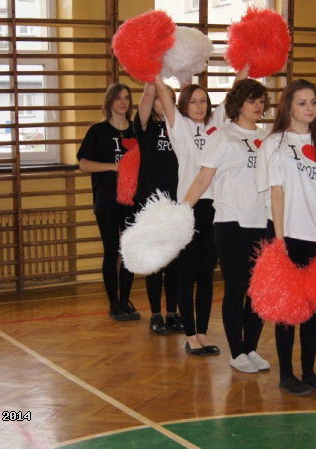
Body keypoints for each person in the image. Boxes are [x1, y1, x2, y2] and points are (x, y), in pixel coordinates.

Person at [153, 70, 248, 356]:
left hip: (214, 209)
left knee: (207, 275)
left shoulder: (216, 125)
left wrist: (244, 67)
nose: (199, 106)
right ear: (184, 105)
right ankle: (190, 334)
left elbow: (233, 92)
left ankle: (203, 333)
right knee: (187, 274)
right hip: (189, 208)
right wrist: (154, 73)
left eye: (204, 101)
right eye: (193, 101)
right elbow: (164, 95)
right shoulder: (179, 126)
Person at [256, 79, 316, 395]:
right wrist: (280, 241)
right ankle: (287, 375)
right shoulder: (274, 144)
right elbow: (276, 193)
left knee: (313, 308)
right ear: (289, 106)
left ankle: (309, 372)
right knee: (288, 308)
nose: (309, 108)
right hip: (286, 234)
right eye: (302, 102)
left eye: (313, 102)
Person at [182, 78, 271, 372]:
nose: (257, 106)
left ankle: (251, 348)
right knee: (236, 287)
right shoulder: (222, 136)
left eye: (261, 101)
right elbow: (203, 180)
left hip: (263, 222)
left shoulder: (268, 137)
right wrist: (181, 213)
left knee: (257, 291)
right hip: (231, 222)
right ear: (238, 104)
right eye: (251, 100)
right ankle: (237, 352)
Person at [77, 83, 140, 322]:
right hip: (107, 200)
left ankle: (125, 301)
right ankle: (114, 303)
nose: (123, 102)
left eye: (126, 98)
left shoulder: (136, 131)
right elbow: (83, 163)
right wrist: (113, 167)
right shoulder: (98, 131)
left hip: (132, 200)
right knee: (112, 251)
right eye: (118, 98)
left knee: (129, 252)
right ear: (110, 101)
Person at [133, 82, 183, 335]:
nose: (164, 102)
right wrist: (154, 73)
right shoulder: (146, 127)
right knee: (155, 261)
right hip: (151, 204)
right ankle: (155, 314)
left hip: (176, 202)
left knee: (173, 262)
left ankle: (172, 313)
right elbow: (149, 93)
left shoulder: (180, 127)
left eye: (170, 98)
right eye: (160, 98)